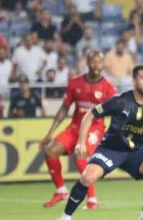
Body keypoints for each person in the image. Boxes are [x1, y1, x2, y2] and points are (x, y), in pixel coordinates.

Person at [52, 65, 143, 220]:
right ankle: (65, 218)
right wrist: (81, 141)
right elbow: (90, 114)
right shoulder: (120, 101)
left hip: (135, 152)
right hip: (111, 149)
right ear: (134, 80)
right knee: (87, 177)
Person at [39, 51, 117, 210]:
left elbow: (117, 112)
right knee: (50, 151)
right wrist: (50, 133)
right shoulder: (75, 83)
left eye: (100, 63)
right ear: (87, 63)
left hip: (95, 128)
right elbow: (64, 108)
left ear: (103, 65)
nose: (97, 66)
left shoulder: (108, 88)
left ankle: (92, 199)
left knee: (80, 155)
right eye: (93, 62)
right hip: (75, 127)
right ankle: (60, 191)